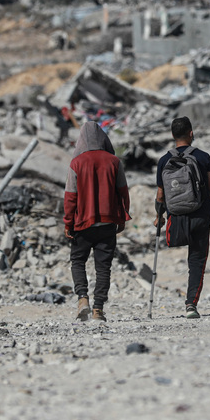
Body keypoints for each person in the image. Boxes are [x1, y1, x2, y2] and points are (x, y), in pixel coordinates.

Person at [63, 121, 129, 322]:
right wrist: (123, 216)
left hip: (82, 222)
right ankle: (98, 309)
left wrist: (68, 223)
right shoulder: (114, 162)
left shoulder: (76, 163)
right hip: (108, 223)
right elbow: (123, 192)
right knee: (103, 267)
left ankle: (82, 298)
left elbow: (70, 196)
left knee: (77, 261)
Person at [154, 116, 210, 319]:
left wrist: (159, 217)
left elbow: (160, 195)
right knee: (197, 261)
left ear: (173, 136)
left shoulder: (164, 160)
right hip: (200, 216)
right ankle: (191, 304)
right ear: (191, 133)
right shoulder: (203, 157)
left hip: (176, 220)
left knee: (187, 255)